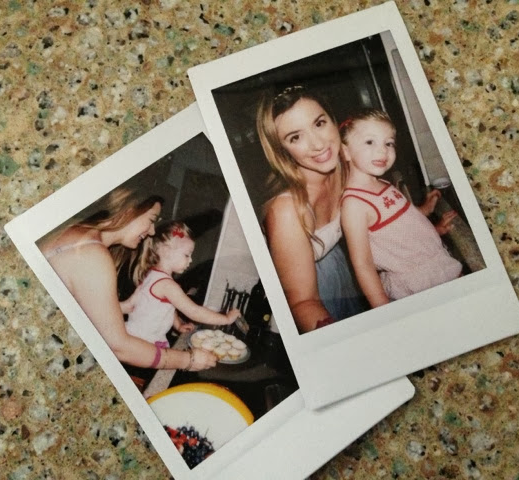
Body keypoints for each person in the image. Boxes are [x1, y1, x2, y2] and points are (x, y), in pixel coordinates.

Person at [39, 187, 217, 371]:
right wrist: (188, 360)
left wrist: (124, 306)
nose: (152, 231)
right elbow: (118, 346)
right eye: (151, 220)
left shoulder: (80, 234)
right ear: (130, 211)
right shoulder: (92, 255)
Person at [257, 85, 367, 333]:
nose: (318, 144)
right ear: (282, 151)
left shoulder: (343, 162)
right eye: (295, 137)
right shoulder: (287, 211)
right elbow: (302, 302)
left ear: (332, 119)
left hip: (338, 266)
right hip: (308, 294)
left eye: (319, 123)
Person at [339, 109, 462, 308]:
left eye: (388, 143)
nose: (383, 151)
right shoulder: (354, 204)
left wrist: (429, 217)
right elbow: (363, 265)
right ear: (345, 151)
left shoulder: (383, 184)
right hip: (418, 284)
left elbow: (402, 224)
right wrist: (384, 309)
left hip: (436, 263)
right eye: (370, 142)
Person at [121, 221, 241, 348]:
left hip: (137, 336)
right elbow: (194, 311)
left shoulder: (153, 275)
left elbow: (166, 306)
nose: (191, 260)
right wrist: (226, 319)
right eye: (186, 255)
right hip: (143, 343)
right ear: (166, 251)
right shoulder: (167, 285)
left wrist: (178, 325)